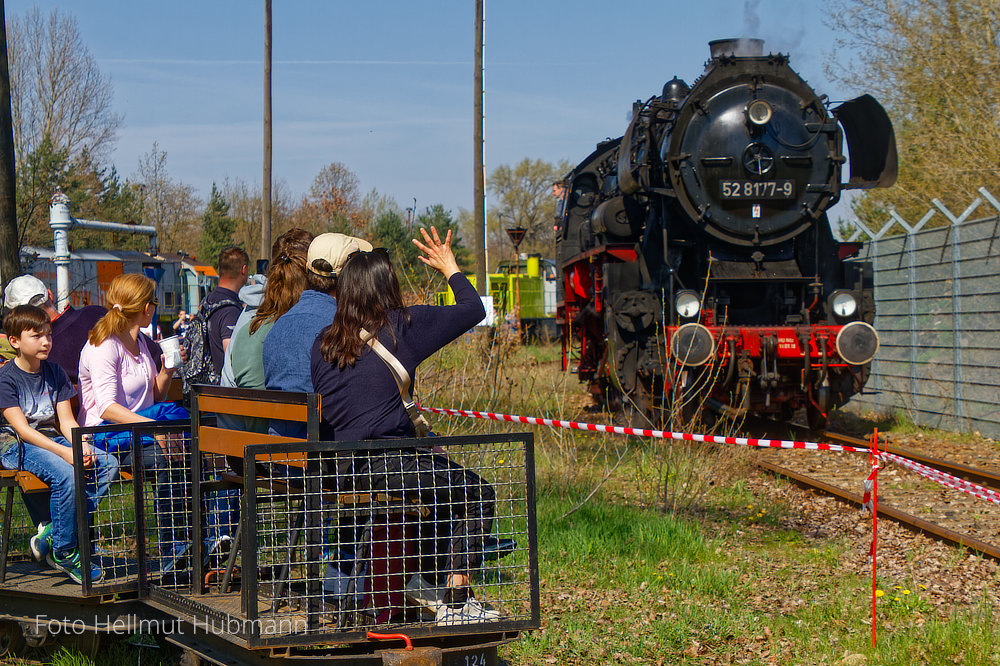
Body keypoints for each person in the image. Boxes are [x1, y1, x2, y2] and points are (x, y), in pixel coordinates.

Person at [310, 227, 498, 626]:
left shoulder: (324, 342)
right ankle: (457, 599)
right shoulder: (401, 326)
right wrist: (449, 267)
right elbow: (473, 309)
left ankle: (428, 583)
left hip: (343, 471)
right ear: (384, 286)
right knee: (478, 492)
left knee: (443, 483)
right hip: (389, 468)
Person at [76, 274, 204, 572]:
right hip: (104, 435)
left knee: (189, 451)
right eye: (154, 303)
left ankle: (197, 541)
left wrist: (167, 370)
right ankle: (174, 546)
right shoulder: (104, 345)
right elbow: (107, 408)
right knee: (165, 459)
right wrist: (154, 429)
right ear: (147, 308)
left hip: (138, 430)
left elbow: (152, 397)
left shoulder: (140, 343)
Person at [0, 305, 118, 584]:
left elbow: (66, 420)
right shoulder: (6, 379)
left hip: (50, 440)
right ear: (14, 341)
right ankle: (65, 550)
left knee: (108, 464)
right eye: (36, 336)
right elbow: (23, 430)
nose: (46, 342)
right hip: (14, 446)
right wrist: (66, 452)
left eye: (49, 335)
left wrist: (81, 443)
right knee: (66, 474)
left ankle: (55, 532)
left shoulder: (54, 372)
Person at [262, 233, 369, 437]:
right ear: (349, 278)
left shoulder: (278, 326)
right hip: (325, 459)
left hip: (282, 456)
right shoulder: (343, 328)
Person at [203, 247, 249, 377]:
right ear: (243, 270)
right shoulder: (230, 312)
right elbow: (233, 360)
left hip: (203, 388)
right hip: (222, 391)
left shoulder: (206, 303)